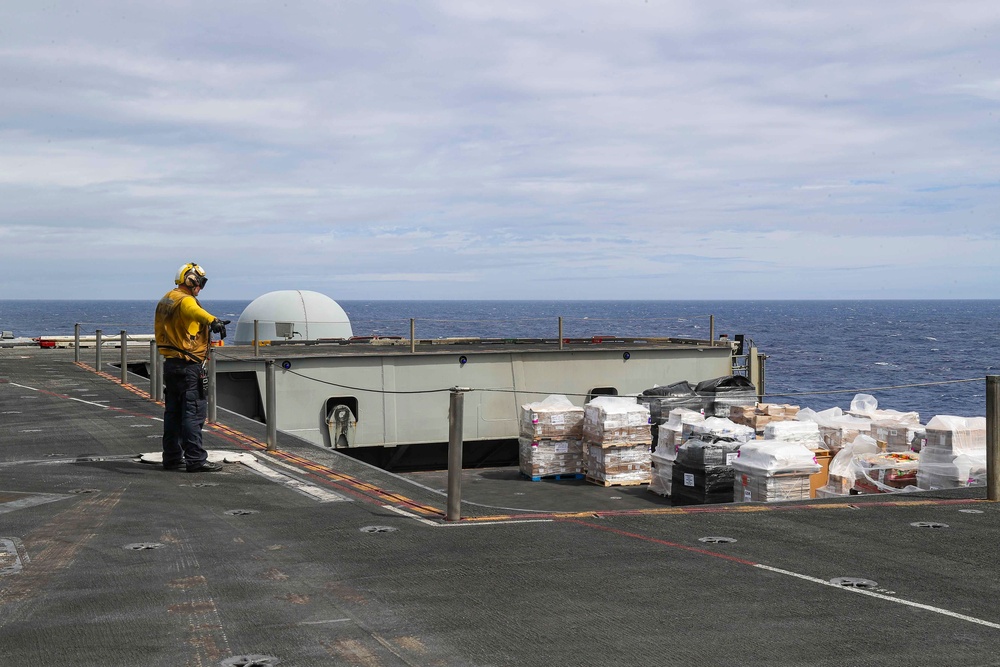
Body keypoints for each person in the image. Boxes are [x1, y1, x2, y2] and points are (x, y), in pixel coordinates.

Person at [154, 262, 229, 472]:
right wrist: (213, 321)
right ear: (191, 279)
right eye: (200, 283)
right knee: (193, 414)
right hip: (189, 366)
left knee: (173, 414)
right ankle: (195, 459)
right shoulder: (185, 300)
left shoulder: (166, 299)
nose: (200, 287)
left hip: (171, 364)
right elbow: (195, 311)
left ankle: (171, 457)